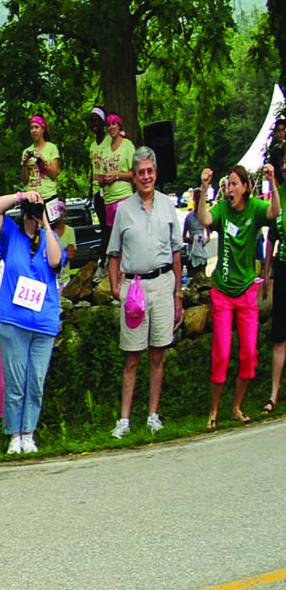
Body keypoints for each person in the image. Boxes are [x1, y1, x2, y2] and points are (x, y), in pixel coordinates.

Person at [191, 164, 279, 428]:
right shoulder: (222, 210)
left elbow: (275, 212)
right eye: (227, 184)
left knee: (249, 353)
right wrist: (205, 188)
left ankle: (236, 406)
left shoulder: (255, 208)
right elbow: (203, 219)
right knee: (221, 352)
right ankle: (214, 411)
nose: (229, 188)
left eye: (233, 183)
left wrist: (272, 180)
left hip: (246, 293)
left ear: (245, 187)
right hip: (222, 292)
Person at [105, 147, 182, 439]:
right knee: (132, 356)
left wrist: (178, 294)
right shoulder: (124, 209)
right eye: (141, 172)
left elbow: (176, 253)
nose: (146, 177)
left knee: (158, 354)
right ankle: (124, 419)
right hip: (134, 287)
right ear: (134, 177)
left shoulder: (166, 205)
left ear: (155, 173)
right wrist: (115, 287)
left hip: (163, 283)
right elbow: (114, 253)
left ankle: (152, 415)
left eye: (150, 171)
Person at [0, 187, 64, 454]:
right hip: (14, 321)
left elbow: (56, 261)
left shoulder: (49, 238)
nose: (32, 215)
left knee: (36, 381)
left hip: (43, 323)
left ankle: (29, 433)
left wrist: (45, 223)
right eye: (30, 213)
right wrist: (22, 197)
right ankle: (14, 434)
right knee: (16, 381)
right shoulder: (10, 235)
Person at [89, 112, 136, 228]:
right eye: (108, 125)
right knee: (112, 235)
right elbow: (100, 177)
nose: (111, 127)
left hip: (123, 196)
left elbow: (134, 174)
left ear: (119, 126)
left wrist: (117, 176)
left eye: (114, 124)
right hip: (108, 199)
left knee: (125, 231)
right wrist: (103, 180)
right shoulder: (105, 149)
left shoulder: (127, 145)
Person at [21, 114, 62, 204]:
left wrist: (42, 163)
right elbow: (24, 182)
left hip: (48, 195)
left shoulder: (52, 148)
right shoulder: (26, 151)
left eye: (36, 127)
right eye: (31, 128)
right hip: (32, 197)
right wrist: (24, 164)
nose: (34, 130)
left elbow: (54, 175)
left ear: (43, 129)